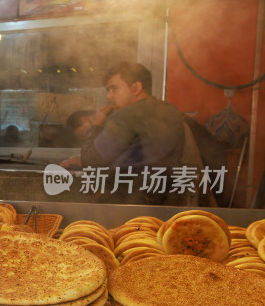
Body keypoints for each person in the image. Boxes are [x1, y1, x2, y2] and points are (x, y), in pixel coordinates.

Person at [80, 62, 192, 204]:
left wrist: (95, 126)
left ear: (136, 88)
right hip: (164, 199)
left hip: (126, 202)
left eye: (114, 89)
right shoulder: (170, 111)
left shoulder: (126, 115)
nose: (109, 96)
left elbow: (93, 163)